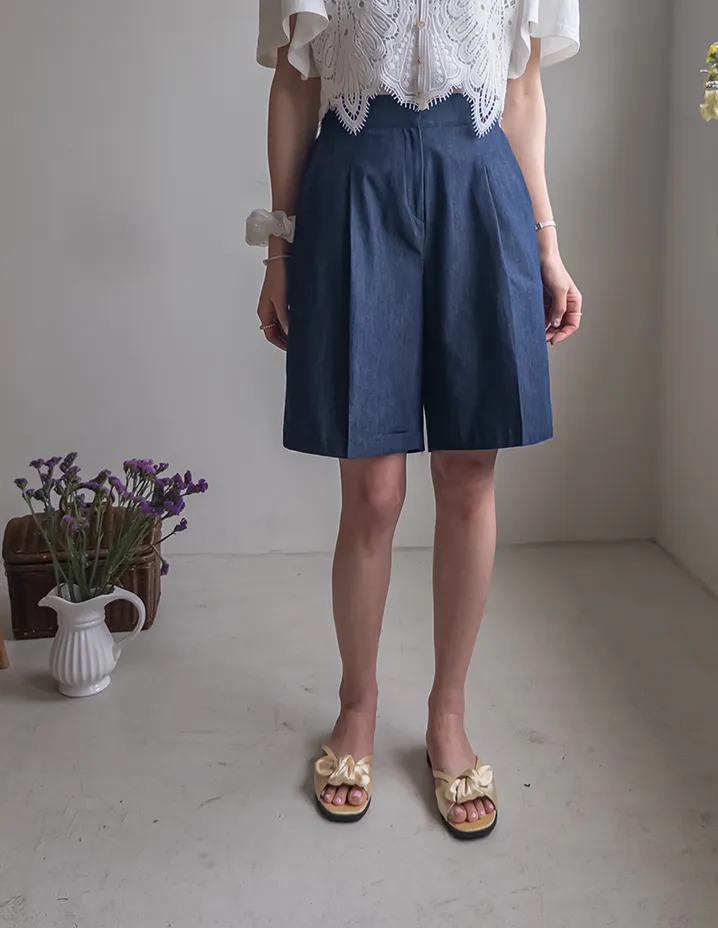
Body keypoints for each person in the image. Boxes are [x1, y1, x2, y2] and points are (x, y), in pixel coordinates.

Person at [248, 0, 582, 839]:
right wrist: (279, 249)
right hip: (354, 185)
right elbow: (294, 86)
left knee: (467, 473)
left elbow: (521, 90)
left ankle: (448, 715)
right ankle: (356, 705)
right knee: (373, 490)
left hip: (482, 185)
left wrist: (547, 245)